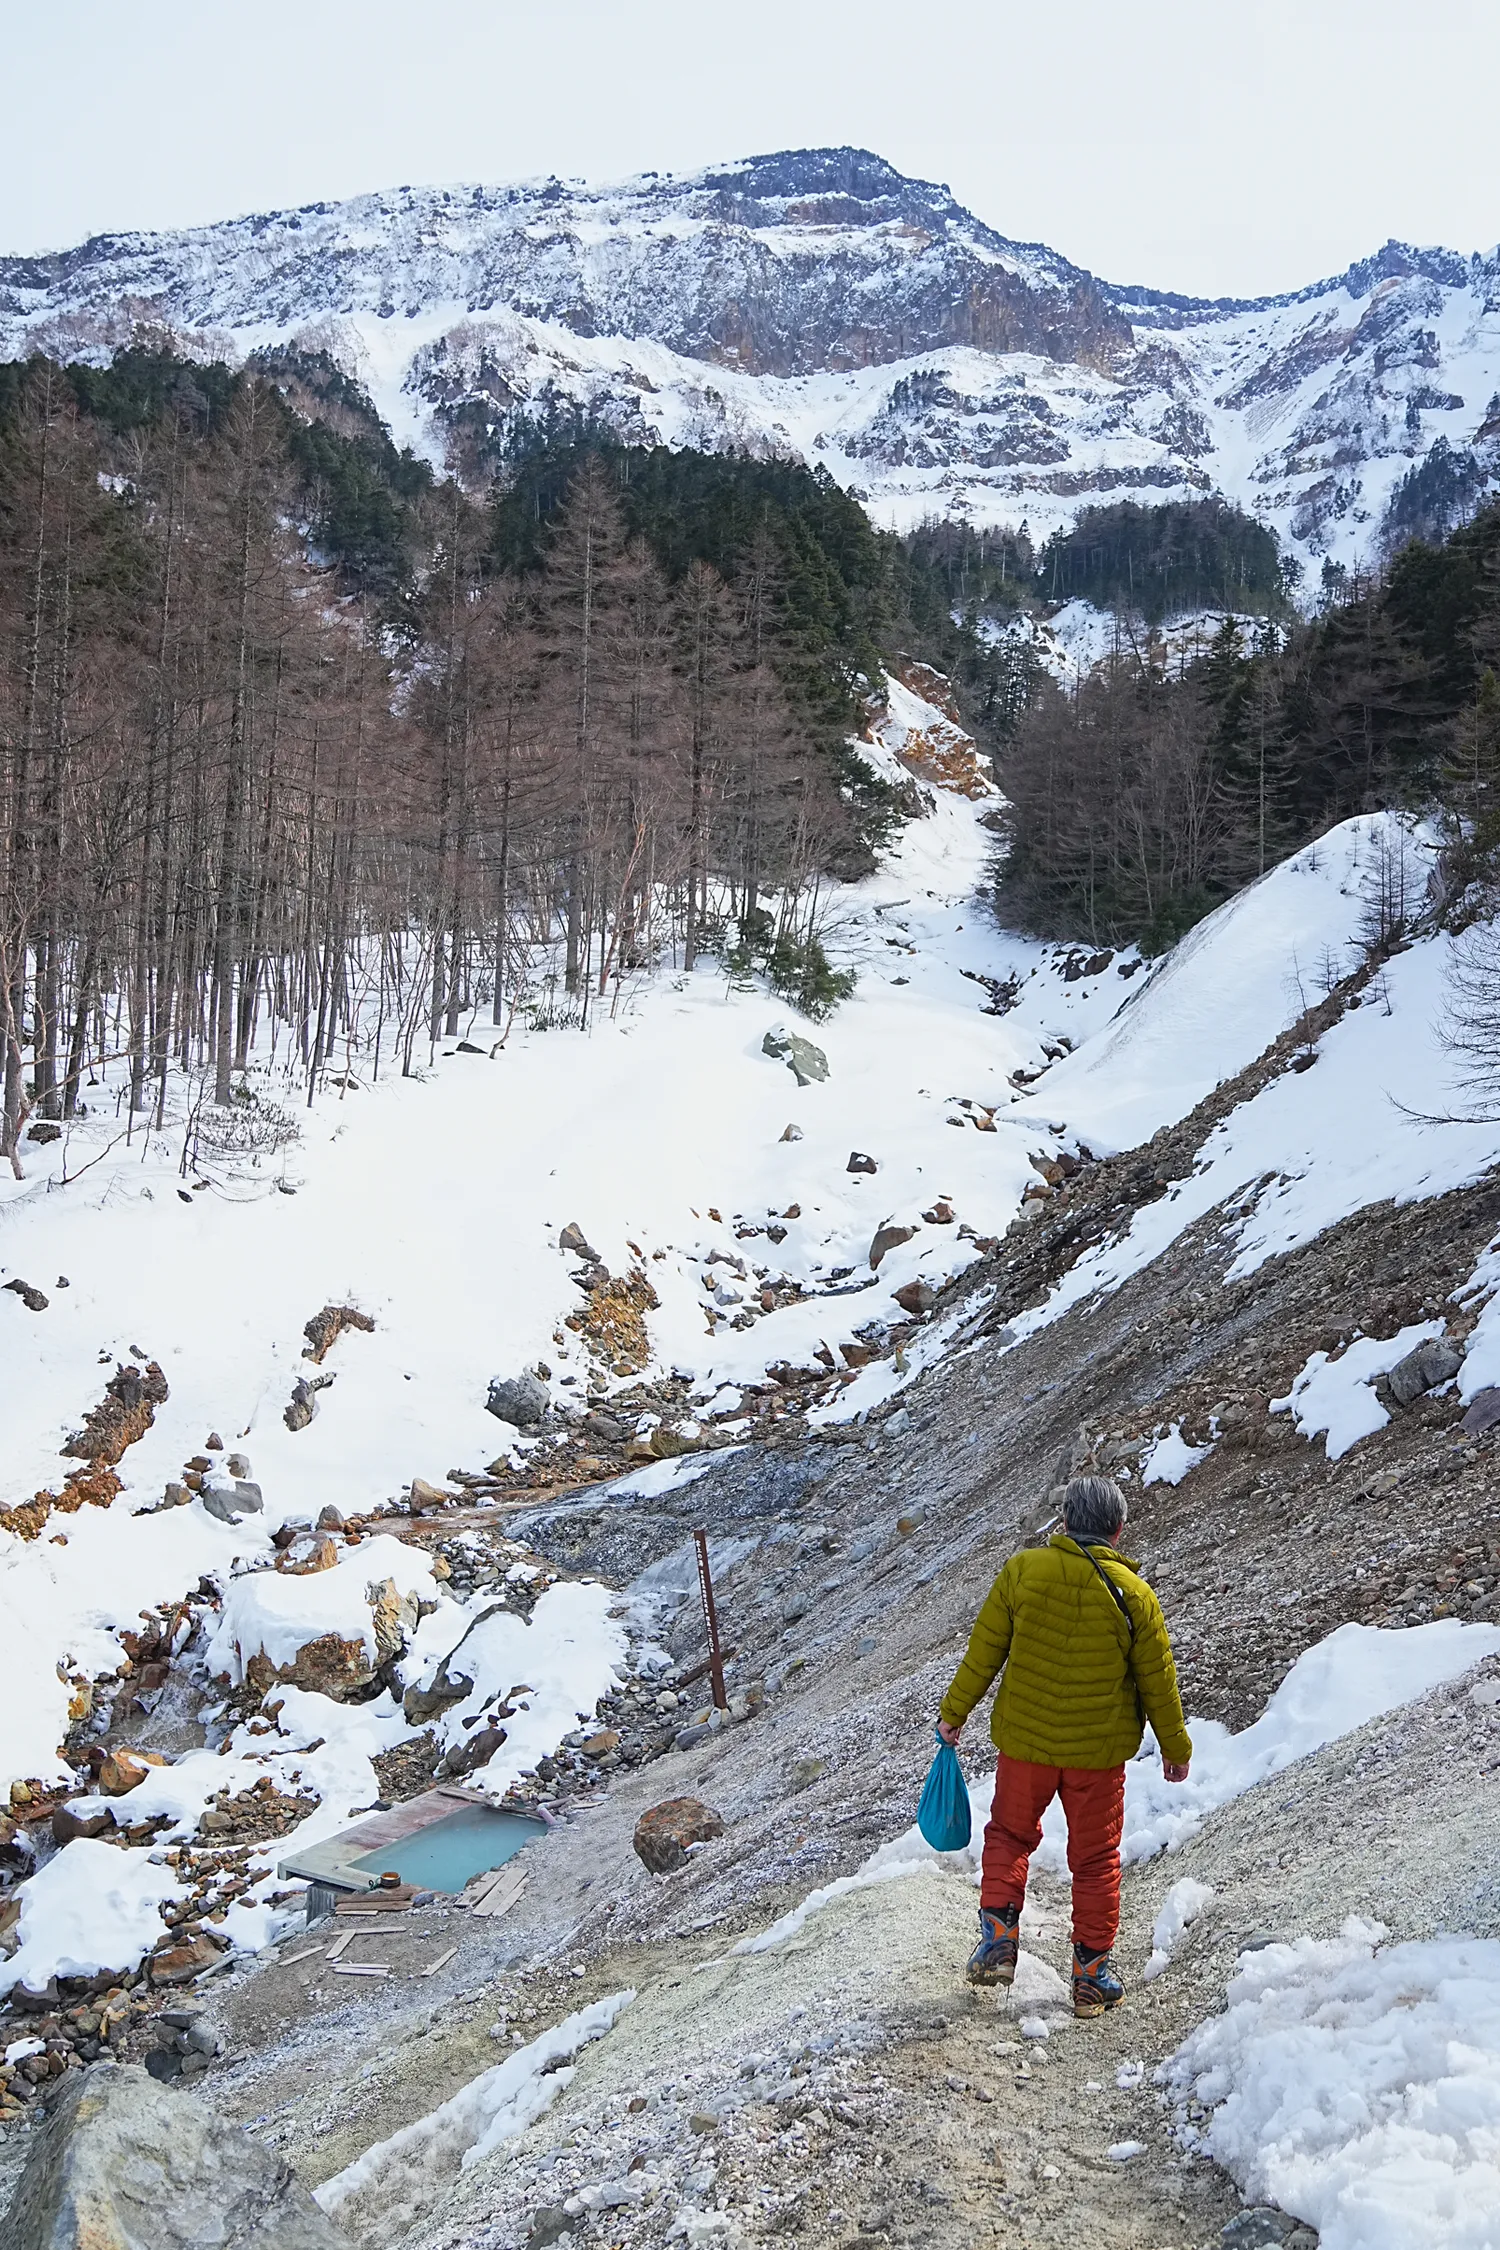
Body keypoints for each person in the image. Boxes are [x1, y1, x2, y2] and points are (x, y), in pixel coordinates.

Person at [936, 1474, 1192, 2017]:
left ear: (1067, 1520)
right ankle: (1092, 1978)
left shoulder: (1022, 1572)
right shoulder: (1136, 1596)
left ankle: (1000, 1942)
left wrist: (953, 1714)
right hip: (1097, 1758)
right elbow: (1157, 1682)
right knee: (1096, 1861)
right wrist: (1176, 1748)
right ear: (1118, 1531)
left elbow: (983, 1653)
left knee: (1009, 1835)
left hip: (1025, 1747)